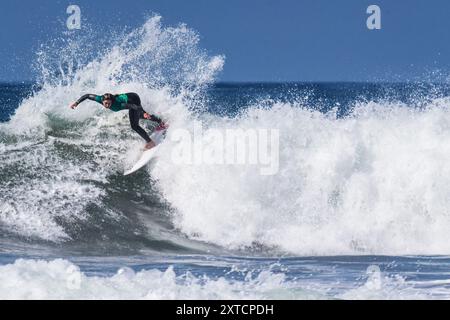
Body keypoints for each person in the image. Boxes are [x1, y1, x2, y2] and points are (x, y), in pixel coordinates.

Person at [70, 92, 167, 149]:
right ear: (102, 101)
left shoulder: (118, 105)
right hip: (129, 97)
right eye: (105, 103)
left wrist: (143, 111)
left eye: (108, 103)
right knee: (140, 116)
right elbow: (87, 96)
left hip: (134, 99)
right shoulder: (100, 99)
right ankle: (161, 122)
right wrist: (76, 103)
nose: (107, 105)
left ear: (111, 101)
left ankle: (150, 142)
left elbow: (134, 106)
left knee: (135, 124)